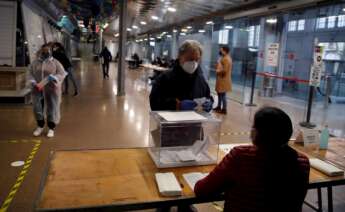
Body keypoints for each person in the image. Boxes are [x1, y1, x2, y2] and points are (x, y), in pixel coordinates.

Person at [194, 107, 310, 212]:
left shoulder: (240, 156)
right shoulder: (302, 162)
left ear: (258, 133)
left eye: (254, 126)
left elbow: (202, 190)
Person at [150, 40, 213, 112]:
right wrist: (177, 105)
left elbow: (207, 96)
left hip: (195, 122)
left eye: (197, 60)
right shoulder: (165, 78)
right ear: (180, 56)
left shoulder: (201, 79)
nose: (193, 63)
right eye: (190, 59)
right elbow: (154, 103)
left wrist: (209, 102)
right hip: (171, 122)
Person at [27, 44, 67, 138]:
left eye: (47, 51)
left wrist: (55, 77)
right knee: (38, 108)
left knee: (52, 107)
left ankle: (51, 128)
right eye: (44, 51)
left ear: (50, 51)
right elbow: (29, 74)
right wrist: (33, 82)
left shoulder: (55, 62)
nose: (45, 52)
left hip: (51, 90)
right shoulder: (35, 63)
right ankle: (40, 126)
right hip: (37, 89)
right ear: (41, 51)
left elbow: (62, 73)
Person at [214, 46, 232, 114]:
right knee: (219, 94)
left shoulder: (227, 59)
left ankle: (224, 109)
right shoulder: (223, 58)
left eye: (221, 50)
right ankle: (219, 106)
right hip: (221, 79)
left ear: (225, 51)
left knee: (223, 95)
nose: (220, 51)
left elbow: (225, 70)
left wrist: (218, 71)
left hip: (224, 79)